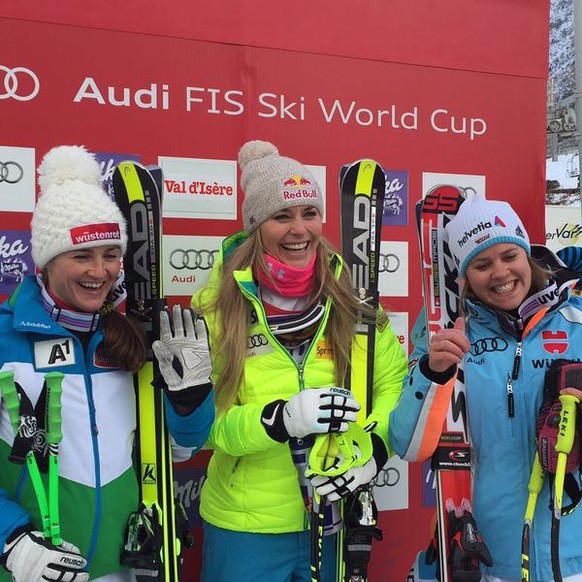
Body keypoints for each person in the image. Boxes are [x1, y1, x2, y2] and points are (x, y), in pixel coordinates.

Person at [191, 140, 408, 581]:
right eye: (281, 216)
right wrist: (278, 420)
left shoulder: (351, 297)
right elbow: (202, 424)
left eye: (309, 213)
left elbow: (393, 384)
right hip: (245, 525)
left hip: (334, 516)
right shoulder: (217, 307)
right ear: (255, 225)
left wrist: (371, 450)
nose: (299, 229)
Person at [0, 146, 214, 582]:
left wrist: (192, 399)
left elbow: (184, 443)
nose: (100, 271)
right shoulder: (7, 338)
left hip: (124, 565)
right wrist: (12, 540)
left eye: (111, 254)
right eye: (81, 256)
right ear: (46, 260)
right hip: (38, 567)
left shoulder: (128, 336)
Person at [389, 193, 582, 582]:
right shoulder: (446, 333)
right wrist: (433, 372)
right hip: (488, 556)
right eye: (481, 263)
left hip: (574, 555)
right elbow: (407, 444)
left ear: (527, 255)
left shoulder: (575, 321)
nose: (499, 272)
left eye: (510, 256)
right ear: (463, 276)